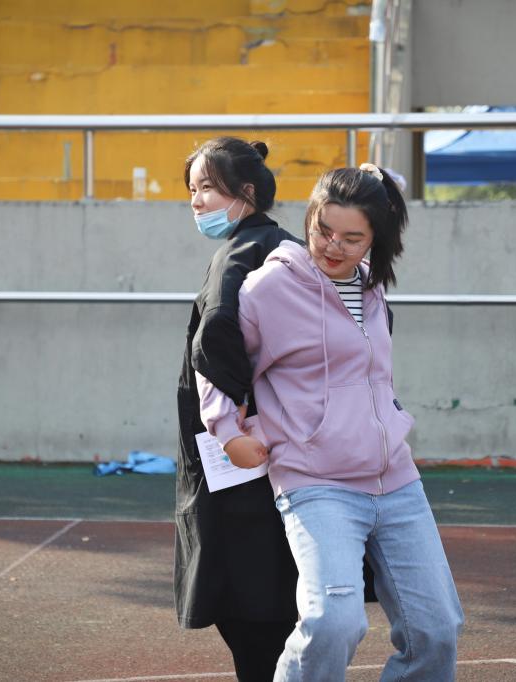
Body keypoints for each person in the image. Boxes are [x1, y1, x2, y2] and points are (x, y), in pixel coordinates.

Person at [198, 164, 464, 681]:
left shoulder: (370, 286)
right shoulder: (270, 287)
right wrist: (227, 432)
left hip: (396, 480)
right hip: (316, 483)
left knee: (437, 629)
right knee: (333, 622)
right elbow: (213, 353)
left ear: (375, 240)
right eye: (323, 230)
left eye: (352, 238)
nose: (332, 246)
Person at [174, 137, 301, 681]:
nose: (196, 200)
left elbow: (215, 333)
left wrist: (234, 421)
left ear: (246, 191)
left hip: (242, 455)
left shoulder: (239, 253)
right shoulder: (289, 246)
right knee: (281, 589)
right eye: (192, 189)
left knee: (248, 601)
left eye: (208, 187)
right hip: (290, 443)